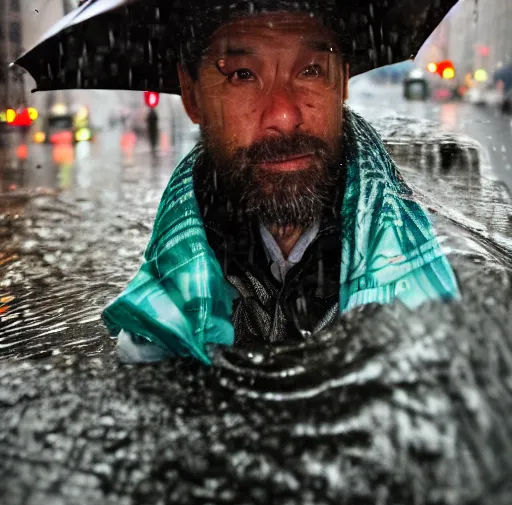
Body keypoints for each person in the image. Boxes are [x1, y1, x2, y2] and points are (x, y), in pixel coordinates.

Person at [103, 3, 460, 364]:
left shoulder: (447, 265)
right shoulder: (163, 317)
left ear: (343, 82)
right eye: (242, 74)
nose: (285, 116)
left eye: (311, 70)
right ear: (192, 95)